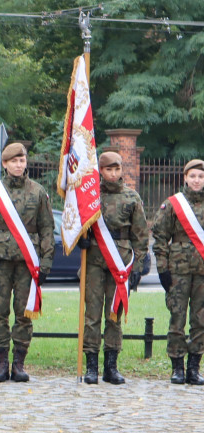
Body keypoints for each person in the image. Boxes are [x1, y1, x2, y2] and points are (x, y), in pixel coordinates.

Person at [0, 143, 54, 383]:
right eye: (14, 161)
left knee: (24, 314)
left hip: (27, 263)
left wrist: (46, 262)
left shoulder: (38, 192)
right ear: (5, 164)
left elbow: (47, 229)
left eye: (22, 160)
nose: (19, 165)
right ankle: (1, 363)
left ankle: (19, 363)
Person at [77, 151, 148, 385]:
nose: (113, 173)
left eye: (117, 169)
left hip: (121, 263)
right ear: (101, 171)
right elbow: (75, 223)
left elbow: (140, 235)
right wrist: (81, 239)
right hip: (94, 261)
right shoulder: (91, 196)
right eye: (109, 169)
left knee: (114, 314)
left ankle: (111, 367)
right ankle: (91, 367)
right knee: (92, 314)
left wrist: (138, 266)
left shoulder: (132, 197)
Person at [153, 159, 204, 385]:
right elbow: (161, 237)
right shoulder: (173, 204)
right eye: (192, 176)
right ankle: (177, 368)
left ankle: (194, 368)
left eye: (201, 177)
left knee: (200, 320)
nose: (197, 180)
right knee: (177, 318)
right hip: (178, 272)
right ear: (184, 177)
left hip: (202, 271)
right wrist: (162, 268)